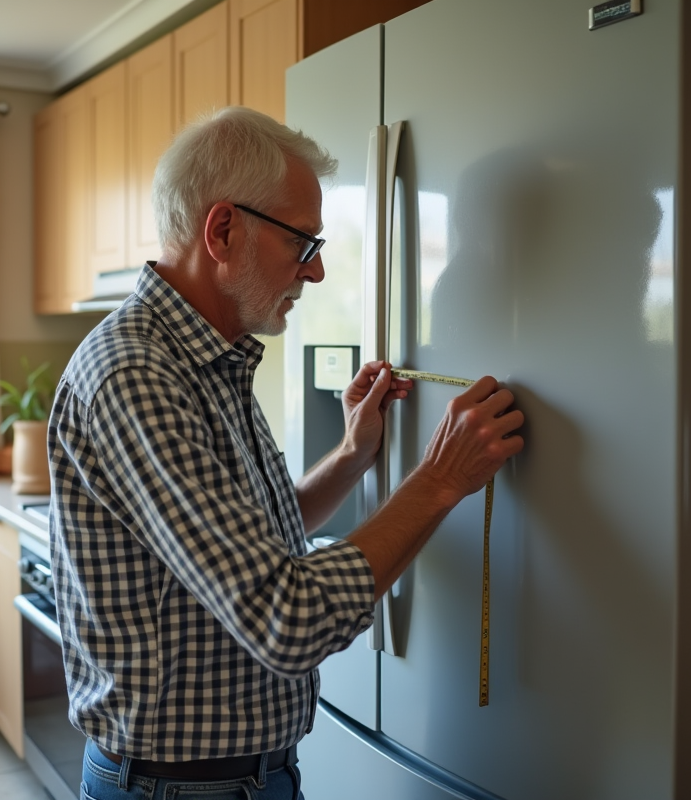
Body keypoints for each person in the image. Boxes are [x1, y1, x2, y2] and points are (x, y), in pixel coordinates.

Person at [47, 106, 524, 800]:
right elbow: (285, 617)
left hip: (235, 780)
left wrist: (354, 452)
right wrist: (439, 480)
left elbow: (258, 539)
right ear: (223, 230)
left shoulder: (205, 361)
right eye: (302, 242)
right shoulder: (139, 376)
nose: (318, 270)